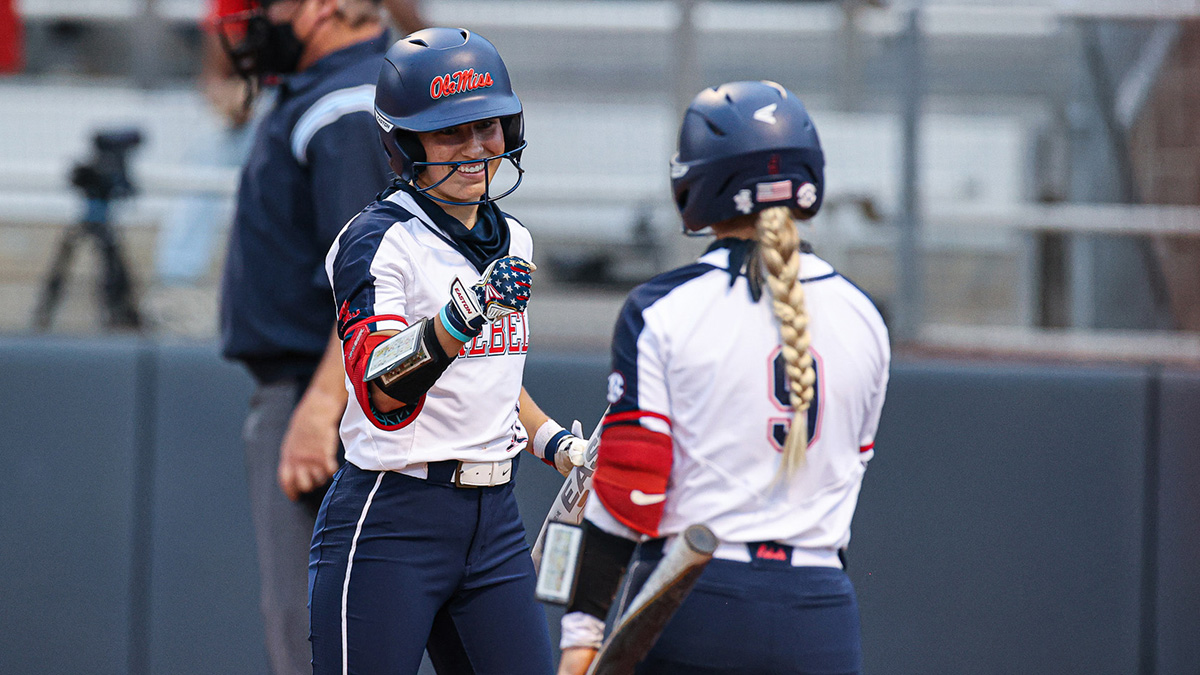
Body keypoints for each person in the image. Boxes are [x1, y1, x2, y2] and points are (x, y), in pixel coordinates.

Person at [557, 81, 891, 675]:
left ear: (699, 181)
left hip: (693, 600)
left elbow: (632, 490)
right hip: (821, 615)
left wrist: (581, 633)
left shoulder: (662, 308)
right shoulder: (865, 315)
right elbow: (851, 468)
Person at [308, 28, 586, 675]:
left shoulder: (514, 237)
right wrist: (465, 313)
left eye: (486, 126)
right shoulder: (377, 240)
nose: (475, 147)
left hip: (495, 519)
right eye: (448, 133)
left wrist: (556, 445)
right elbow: (381, 391)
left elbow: (492, 377)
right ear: (405, 144)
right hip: (393, 514)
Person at [215, 2, 392, 674]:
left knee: (315, 633)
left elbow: (375, 282)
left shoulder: (347, 106)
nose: (260, 15)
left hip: (332, 397)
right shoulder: (335, 90)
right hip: (321, 390)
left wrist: (320, 407)